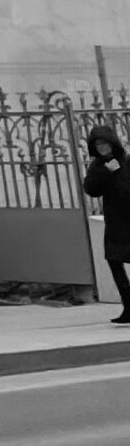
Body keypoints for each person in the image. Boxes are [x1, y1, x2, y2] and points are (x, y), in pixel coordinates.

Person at [85, 125, 130, 324]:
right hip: (115, 222)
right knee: (114, 261)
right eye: (98, 144)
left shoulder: (126, 161)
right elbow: (92, 189)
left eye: (104, 143)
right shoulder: (97, 167)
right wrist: (106, 172)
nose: (102, 147)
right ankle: (129, 306)